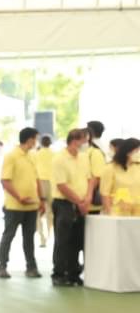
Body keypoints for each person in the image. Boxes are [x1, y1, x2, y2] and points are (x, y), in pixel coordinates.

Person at [50, 128, 94, 287]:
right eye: (84, 140)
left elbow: (90, 179)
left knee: (77, 240)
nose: (86, 143)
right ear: (75, 140)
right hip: (64, 203)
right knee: (63, 239)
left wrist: (88, 197)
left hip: (82, 203)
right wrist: (79, 202)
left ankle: (73, 273)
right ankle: (59, 273)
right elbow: (61, 185)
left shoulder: (84, 157)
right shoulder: (59, 159)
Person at [0, 127, 42, 278]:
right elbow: (5, 180)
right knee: (8, 236)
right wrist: (19, 197)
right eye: (35, 139)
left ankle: (31, 267)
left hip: (31, 205)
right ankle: (2, 266)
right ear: (29, 139)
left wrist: (41, 199)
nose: (36, 142)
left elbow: (36, 179)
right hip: (14, 206)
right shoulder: (11, 156)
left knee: (29, 238)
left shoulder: (32, 156)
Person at [100, 137, 140, 217]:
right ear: (128, 152)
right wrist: (109, 213)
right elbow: (105, 193)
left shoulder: (137, 167)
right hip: (118, 212)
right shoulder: (110, 168)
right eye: (137, 150)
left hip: (137, 211)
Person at [34, 135, 54, 246]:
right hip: (52, 183)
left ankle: (42, 238)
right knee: (50, 211)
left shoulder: (36, 154)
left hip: (39, 183)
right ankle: (49, 235)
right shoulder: (55, 154)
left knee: (39, 211)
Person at [85, 121, 107, 216]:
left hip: (91, 194)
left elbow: (97, 176)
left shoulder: (94, 149)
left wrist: (88, 194)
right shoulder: (105, 146)